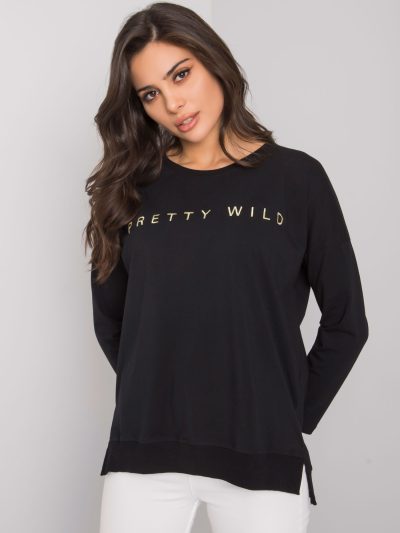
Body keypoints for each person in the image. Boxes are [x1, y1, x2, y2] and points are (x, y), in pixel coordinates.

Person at [84, 3, 369, 532]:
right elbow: (113, 323)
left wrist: (287, 411)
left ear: (213, 60)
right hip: (145, 455)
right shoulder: (128, 191)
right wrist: (163, 391)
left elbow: (348, 321)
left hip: (263, 455)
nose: (172, 103)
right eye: (150, 94)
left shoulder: (298, 179)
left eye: (180, 75)